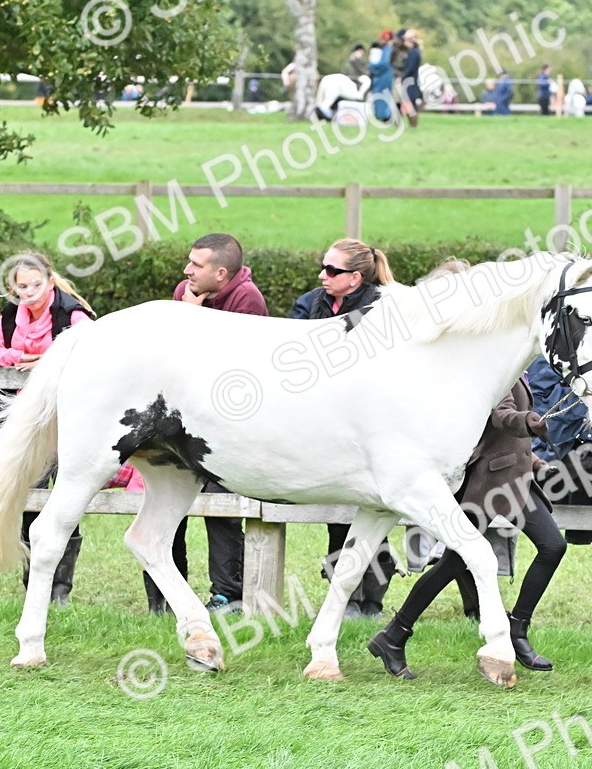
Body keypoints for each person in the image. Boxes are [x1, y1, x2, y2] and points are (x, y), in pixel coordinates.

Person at [369, 261, 566, 678]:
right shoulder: (468, 358)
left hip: (513, 472)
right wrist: (528, 424)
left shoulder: (492, 346)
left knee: (519, 552)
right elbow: (499, 413)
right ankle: (509, 633)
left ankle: (398, 634)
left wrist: (531, 455)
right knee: (462, 560)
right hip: (488, 478)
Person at [144, 233, 268, 615]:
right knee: (164, 504)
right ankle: (163, 595)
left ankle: (227, 595)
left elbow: (237, 367)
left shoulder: (249, 300)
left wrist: (193, 318)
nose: (186, 271)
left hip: (228, 424)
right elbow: (165, 355)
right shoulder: (187, 290)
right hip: (180, 419)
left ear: (221, 272)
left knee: (223, 508)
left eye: (196, 265)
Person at [0, 252, 96, 606]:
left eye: (36, 285)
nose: (29, 293)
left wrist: (46, 360)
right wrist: (16, 358)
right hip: (27, 420)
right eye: (22, 287)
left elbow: (89, 355)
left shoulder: (73, 315)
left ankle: (60, 591)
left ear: (50, 282)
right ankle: (35, 586)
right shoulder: (10, 318)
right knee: (29, 504)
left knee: (66, 504)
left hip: (70, 422)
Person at [289, 239, 397, 617]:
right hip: (319, 416)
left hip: (369, 419)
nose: (323, 275)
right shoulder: (308, 303)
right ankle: (348, 596)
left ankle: (373, 597)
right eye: (323, 267)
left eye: (332, 270)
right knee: (340, 513)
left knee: (373, 506)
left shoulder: (382, 306)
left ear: (354, 278)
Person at [369, 32, 395, 122]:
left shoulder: (388, 49)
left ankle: (384, 116)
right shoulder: (386, 49)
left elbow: (385, 63)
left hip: (383, 76)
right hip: (384, 75)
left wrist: (372, 66)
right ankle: (383, 115)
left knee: (382, 95)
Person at [401, 29, 423, 127]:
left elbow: (410, 68)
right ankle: (412, 124)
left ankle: (413, 124)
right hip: (410, 81)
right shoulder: (413, 51)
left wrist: (401, 77)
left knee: (410, 104)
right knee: (409, 103)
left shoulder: (414, 52)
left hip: (411, 82)